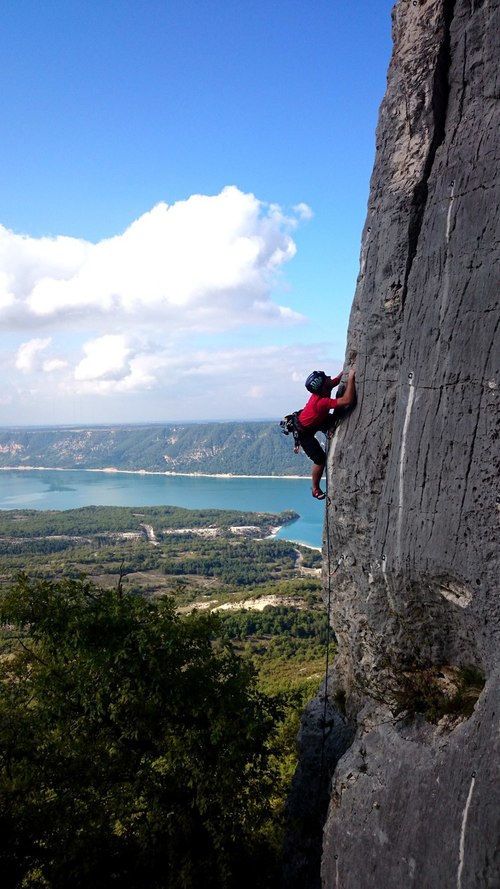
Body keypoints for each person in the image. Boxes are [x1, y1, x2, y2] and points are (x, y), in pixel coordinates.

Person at [296, 368, 356, 500]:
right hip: (304, 433)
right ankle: (315, 489)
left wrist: (345, 371)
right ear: (323, 387)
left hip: (315, 421)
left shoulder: (324, 389)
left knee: (332, 419)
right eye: (326, 378)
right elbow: (347, 400)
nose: (329, 377)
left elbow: (336, 380)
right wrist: (351, 377)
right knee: (320, 459)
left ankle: (326, 428)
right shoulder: (321, 402)